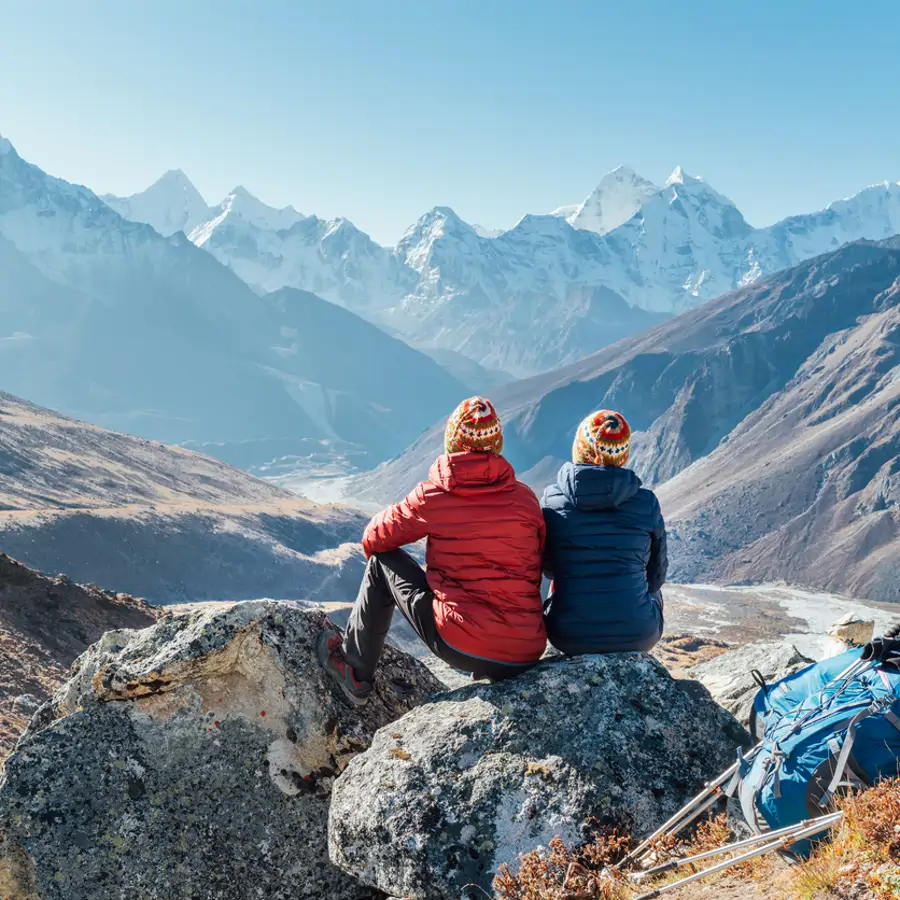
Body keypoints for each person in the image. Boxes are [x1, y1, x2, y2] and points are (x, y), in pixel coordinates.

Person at [318, 396, 546, 704]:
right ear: (498, 443)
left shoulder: (434, 496)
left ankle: (354, 671)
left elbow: (375, 539)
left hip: (462, 645)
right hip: (527, 649)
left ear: (452, 440)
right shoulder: (525, 500)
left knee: (383, 562)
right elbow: (538, 563)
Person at [541, 409, 667, 655]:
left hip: (567, 635)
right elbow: (656, 578)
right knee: (651, 583)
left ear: (581, 448)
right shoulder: (646, 502)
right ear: (623, 455)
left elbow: (548, 569)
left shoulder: (552, 500)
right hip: (639, 635)